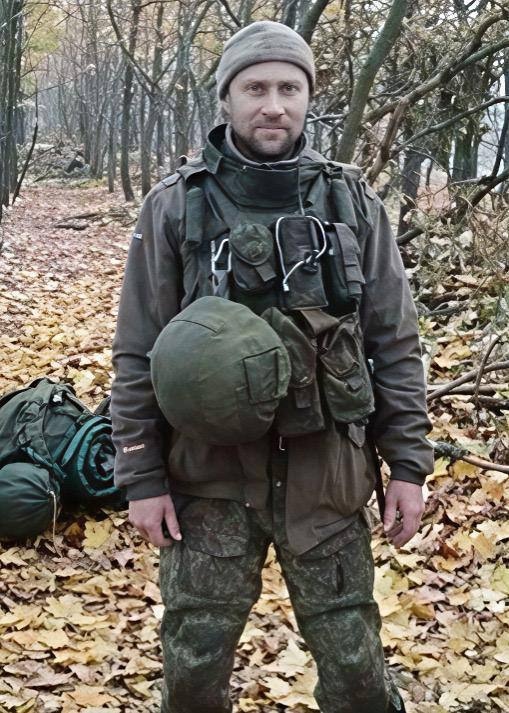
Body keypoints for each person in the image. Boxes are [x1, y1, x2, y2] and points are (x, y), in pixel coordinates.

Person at [110, 20, 434, 713]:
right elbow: (138, 350)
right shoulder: (175, 206)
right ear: (226, 98)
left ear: (309, 97)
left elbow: (394, 342)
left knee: (356, 671)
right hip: (209, 480)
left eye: (290, 88)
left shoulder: (352, 202)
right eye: (255, 88)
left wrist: (408, 465)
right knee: (193, 667)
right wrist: (141, 476)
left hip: (328, 476)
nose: (274, 106)